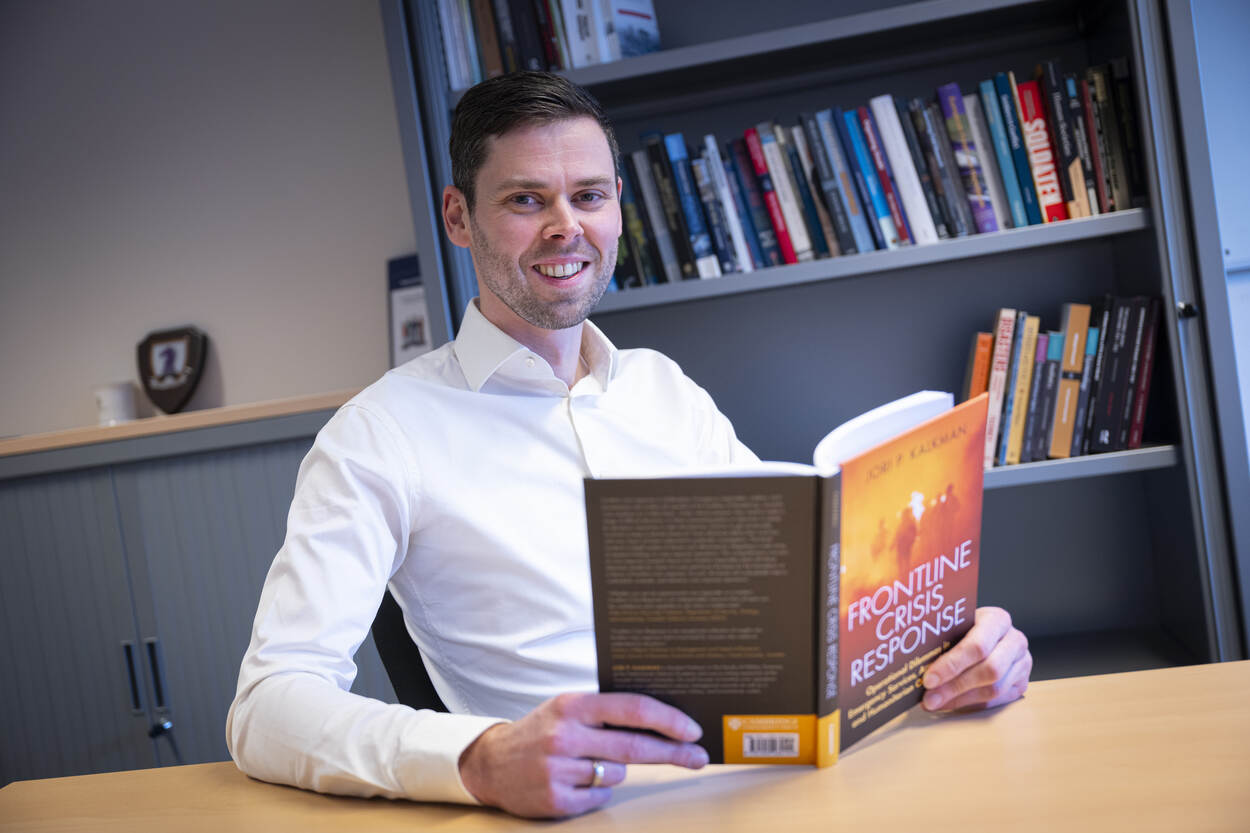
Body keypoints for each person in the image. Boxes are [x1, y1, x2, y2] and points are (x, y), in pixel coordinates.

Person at [226, 71, 1032, 820]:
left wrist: (954, 644)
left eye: (589, 195)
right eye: (525, 199)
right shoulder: (379, 434)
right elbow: (269, 701)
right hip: (586, 812)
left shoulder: (662, 388)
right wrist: (477, 757)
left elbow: (820, 601)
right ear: (458, 217)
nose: (565, 227)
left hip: (776, 789)